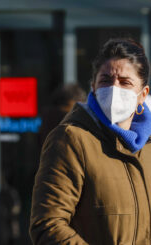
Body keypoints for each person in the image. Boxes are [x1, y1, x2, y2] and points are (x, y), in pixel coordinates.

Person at [30, 38, 151, 244]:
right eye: (105, 80)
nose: (114, 89)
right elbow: (48, 224)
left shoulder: (147, 147)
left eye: (125, 82)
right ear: (93, 86)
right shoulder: (71, 139)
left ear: (143, 95)